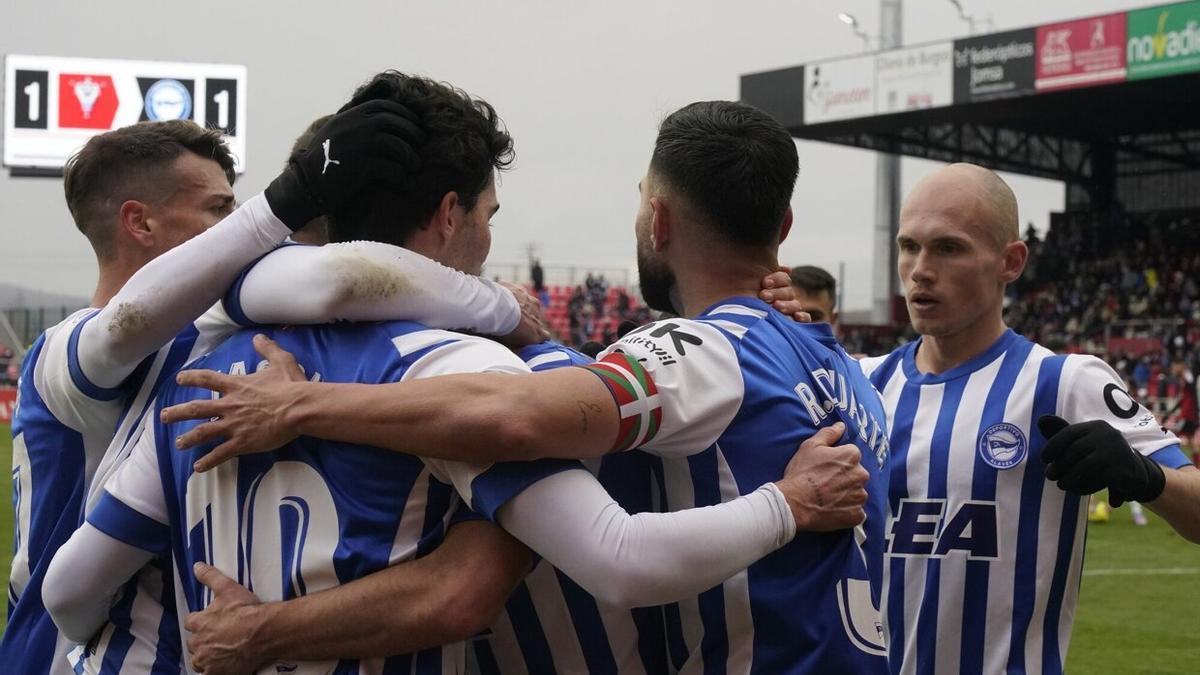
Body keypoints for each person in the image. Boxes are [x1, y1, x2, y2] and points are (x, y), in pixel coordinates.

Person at [46, 78, 852, 674]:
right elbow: (599, 558)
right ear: (446, 216)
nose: (490, 242)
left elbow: (70, 590)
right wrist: (789, 503)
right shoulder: (467, 369)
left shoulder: (204, 362)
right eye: (489, 217)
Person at [6, 101, 537, 674]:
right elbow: (123, 327)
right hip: (60, 652)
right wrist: (499, 305)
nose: (240, 229)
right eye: (219, 210)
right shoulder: (59, 353)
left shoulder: (221, 322)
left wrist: (496, 304)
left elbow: (332, 275)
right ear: (140, 224)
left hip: (179, 644)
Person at [856, 163, 1200, 675]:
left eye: (948, 248)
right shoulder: (862, 383)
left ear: (1011, 262)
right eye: (909, 246)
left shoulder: (1064, 382)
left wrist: (1145, 476)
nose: (920, 269)